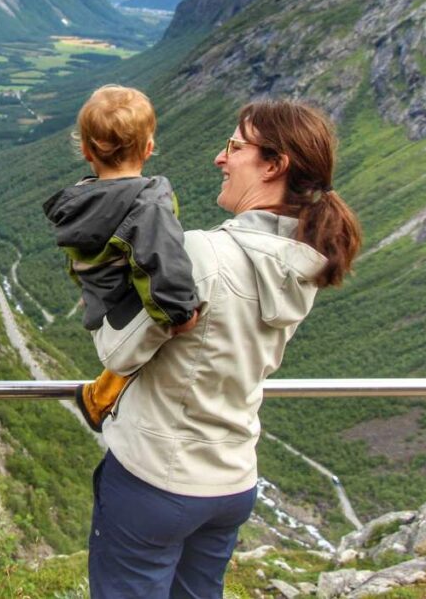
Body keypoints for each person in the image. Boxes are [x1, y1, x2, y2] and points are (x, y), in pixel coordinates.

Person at [86, 100, 362, 598]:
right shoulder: (306, 261)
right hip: (232, 482)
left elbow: (117, 352)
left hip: (157, 477)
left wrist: (104, 290)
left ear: (274, 165)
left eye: (234, 146)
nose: (220, 157)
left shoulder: (203, 253)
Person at [42, 85, 200, 432]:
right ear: (149, 147)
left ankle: (101, 395)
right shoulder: (148, 205)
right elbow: (162, 259)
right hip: (124, 327)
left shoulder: (82, 201)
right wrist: (180, 314)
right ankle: (104, 398)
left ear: (86, 150)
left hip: (101, 313)